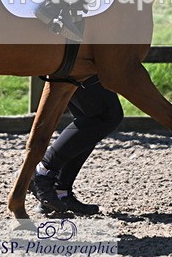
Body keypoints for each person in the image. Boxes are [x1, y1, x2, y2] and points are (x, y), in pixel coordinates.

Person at [31, 77, 123, 215]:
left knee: (92, 118)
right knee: (105, 115)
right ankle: (42, 172)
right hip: (78, 61)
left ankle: (60, 191)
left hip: (78, 61)